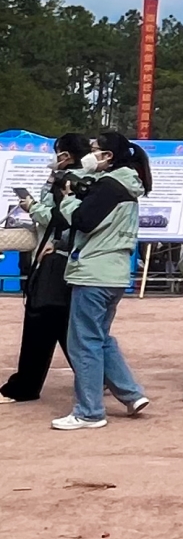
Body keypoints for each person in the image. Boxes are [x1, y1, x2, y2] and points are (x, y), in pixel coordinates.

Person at [51, 132, 151, 430]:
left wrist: (68, 198)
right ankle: (130, 394)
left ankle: (89, 412)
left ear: (108, 156)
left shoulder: (110, 186)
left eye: (94, 149)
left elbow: (83, 221)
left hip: (94, 271)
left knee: (84, 342)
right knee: (100, 338)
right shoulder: (126, 184)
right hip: (114, 272)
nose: (89, 154)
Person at [1, 134, 92, 404]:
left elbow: (59, 217)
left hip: (56, 257)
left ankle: (25, 385)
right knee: (64, 322)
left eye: (58, 152)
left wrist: (32, 207)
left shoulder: (68, 181)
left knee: (41, 317)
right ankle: (98, 376)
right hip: (69, 258)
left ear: (67, 154)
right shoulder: (83, 179)